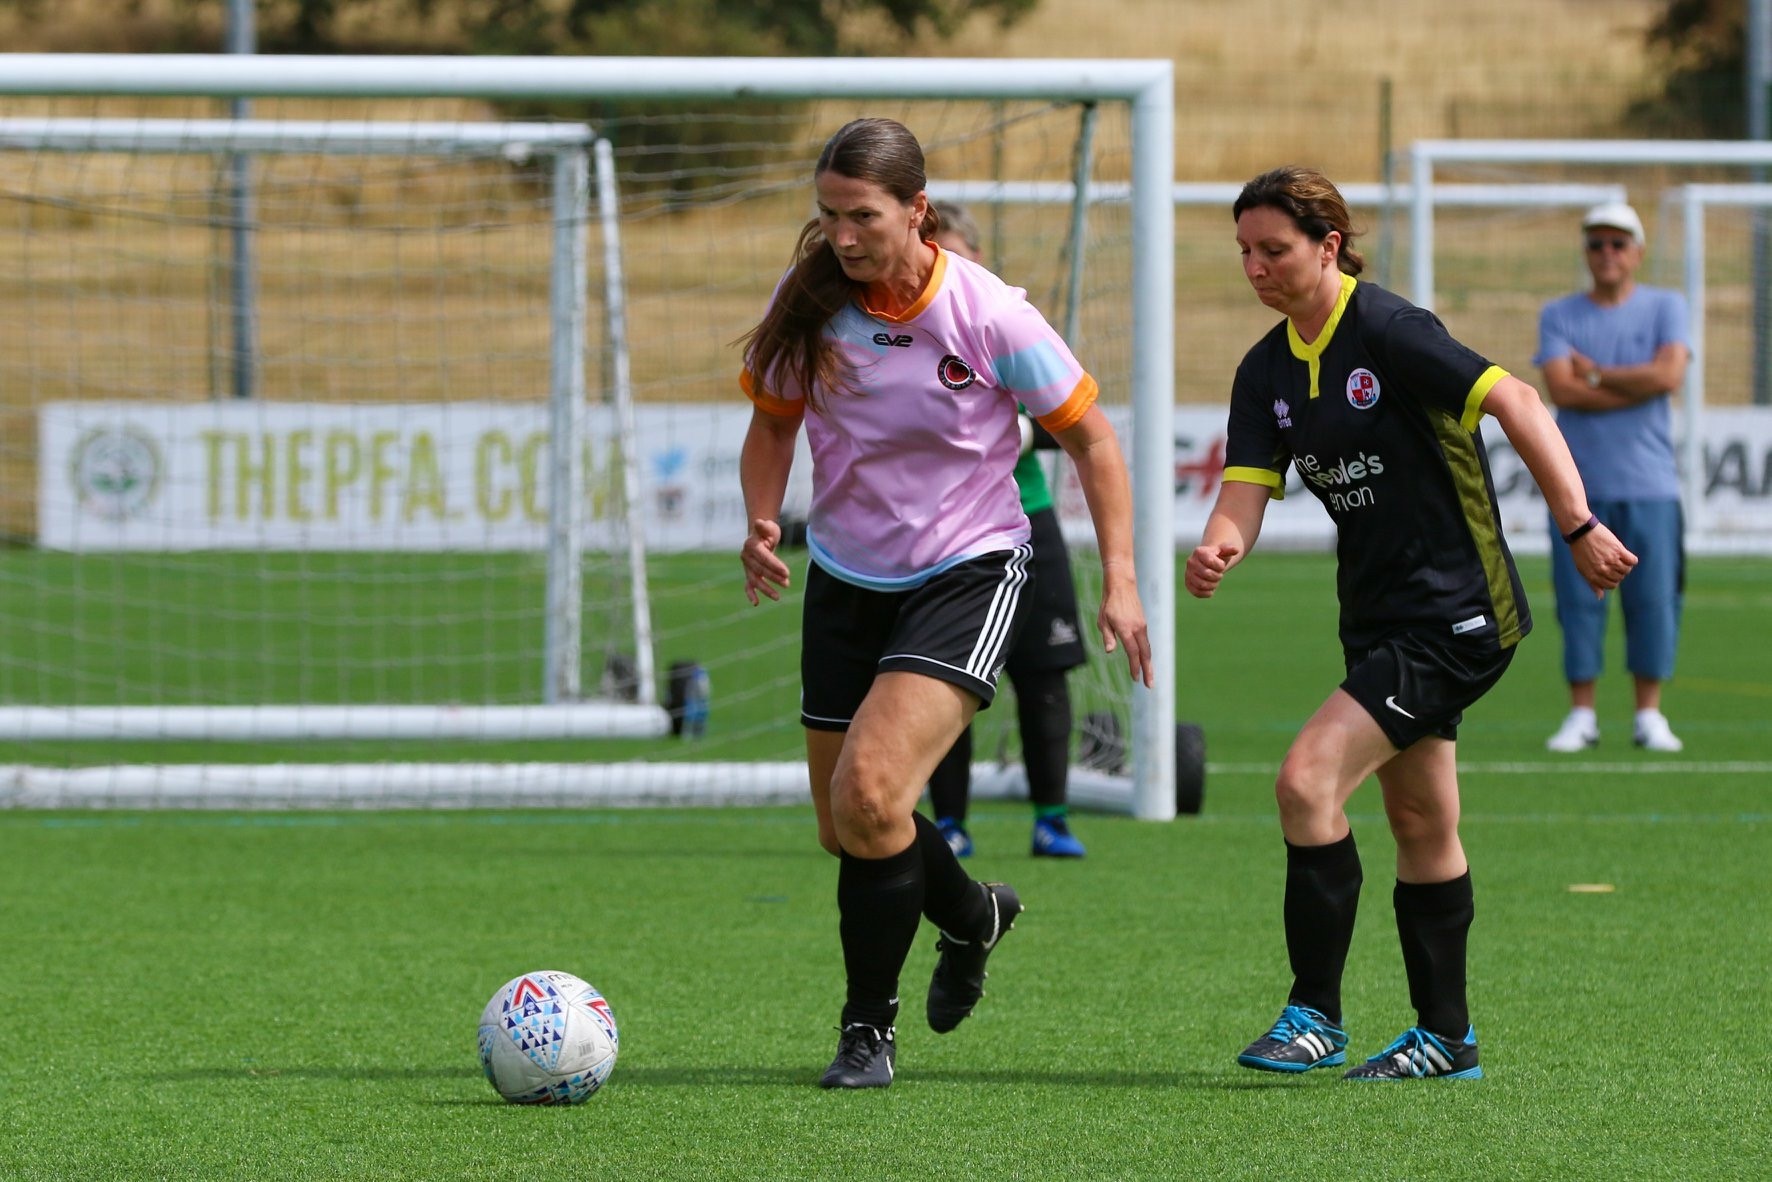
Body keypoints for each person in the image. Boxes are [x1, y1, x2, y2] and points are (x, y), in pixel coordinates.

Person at [1188, 166, 1635, 1081]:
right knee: (1423, 817)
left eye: (1274, 250)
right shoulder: (1266, 370)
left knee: (1306, 782)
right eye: (1244, 252)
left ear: (1329, 245)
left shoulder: (1389, 330)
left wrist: (1578, 523)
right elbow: (1246, 489)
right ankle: (1447, 1038)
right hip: (1378, 618)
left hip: (1458, 612)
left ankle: (1314, 1015)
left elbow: (1518, 400)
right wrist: (1218, 546)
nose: (1256, 268)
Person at [737, 118, 1152, 1090]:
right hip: (845, 579)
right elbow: (770, 421)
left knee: (873, 793)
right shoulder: (808, 302)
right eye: (828, 215)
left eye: (863, 217)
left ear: (915, 210)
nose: (841, 236)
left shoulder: (987, 312)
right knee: (847, 824)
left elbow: (1092, 440)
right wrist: (761, 518)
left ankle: (863, 1032)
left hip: (969, 570)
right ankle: (974, 916)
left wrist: (1121, 578)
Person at [924, 199, 1091, 860]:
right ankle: (949, 823)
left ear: (978, 256)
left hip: (1027, 522)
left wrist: (1017, 428)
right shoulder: (901, 331)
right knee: (942, 678)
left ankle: (1052, 818)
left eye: (955, 254)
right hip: (942, 532)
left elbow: (1071, 414)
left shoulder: (1005, 321)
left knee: (1044, 674)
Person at [1535, 202, 1691, 754]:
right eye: (1597, 243)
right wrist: (1632, 382)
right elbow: (1562, 389)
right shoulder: (1559, 313)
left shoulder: (1667, 307)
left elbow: (1668, 375)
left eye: (1618, 243)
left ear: (1638, 253)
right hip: (1577, 488)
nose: (1607, 253)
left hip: (1651, 483)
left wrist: (1596, 372)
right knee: (1578, 602)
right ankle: (1583, 714)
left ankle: (1649, 714)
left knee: (1654, 601)